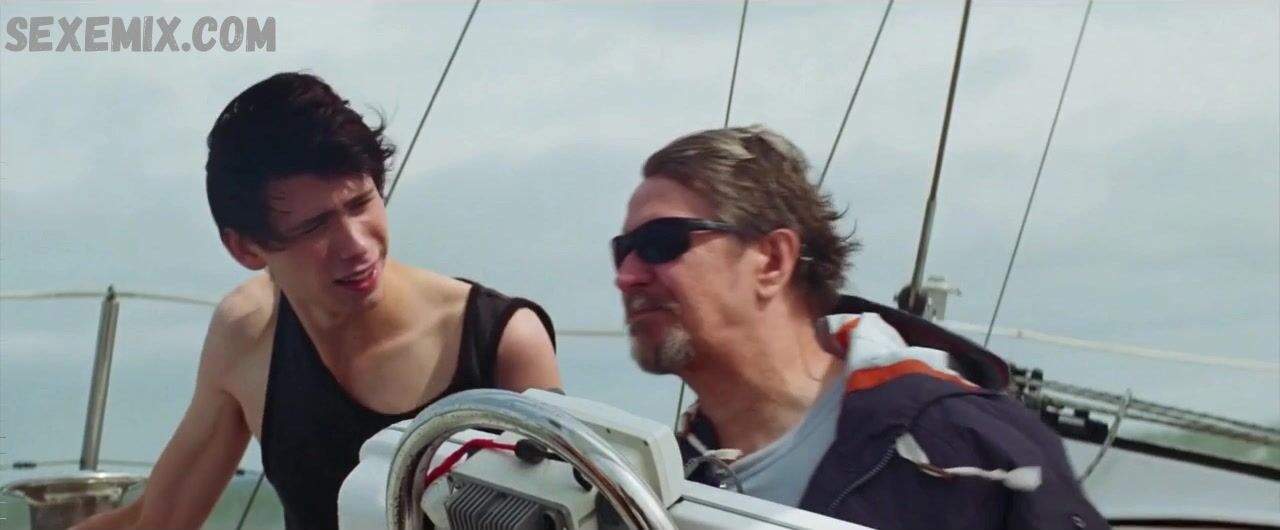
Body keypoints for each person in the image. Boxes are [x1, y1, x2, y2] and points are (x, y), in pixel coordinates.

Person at [73, 72, 561, 530]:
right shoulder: (248, 332)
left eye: (361, 203)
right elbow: (156, 520)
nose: (357, 246)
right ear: (246, 248)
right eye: (315, 227)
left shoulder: (503, 341)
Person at [611, 124, 1108, 529]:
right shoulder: (649, 491)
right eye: (623, 251)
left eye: (660, 242)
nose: (627, 276)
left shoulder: (971, 451)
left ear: (773, 260)